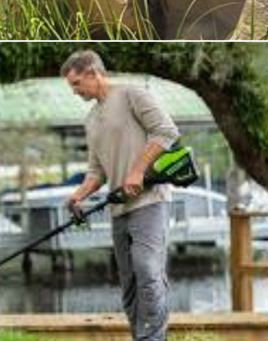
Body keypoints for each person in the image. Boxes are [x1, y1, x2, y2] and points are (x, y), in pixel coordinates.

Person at [61, 50, 180, 341]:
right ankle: (140, 336)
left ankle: (154, 338)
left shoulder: (132, 95)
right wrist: (78, 196)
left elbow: (166, 132)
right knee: (128, 282)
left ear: (92, 73)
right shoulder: (91, 120)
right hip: (119, 210)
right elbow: (96, 171)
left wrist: (138, 170)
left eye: (77, 84)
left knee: (148, 270)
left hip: (150, 202)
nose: (75, 92)